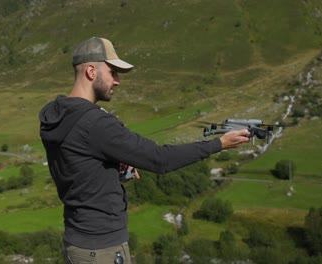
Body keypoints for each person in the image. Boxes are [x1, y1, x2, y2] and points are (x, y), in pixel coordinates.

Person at [39, 37, 250, 264]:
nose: (118, 81)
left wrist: (112, 168)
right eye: (113, 72)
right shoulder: (95, 123)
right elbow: (161, 160)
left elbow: (78, 164)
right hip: (102, 248)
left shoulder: (55, 114)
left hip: (77, 241)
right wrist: (219, 144)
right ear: (91, 71)